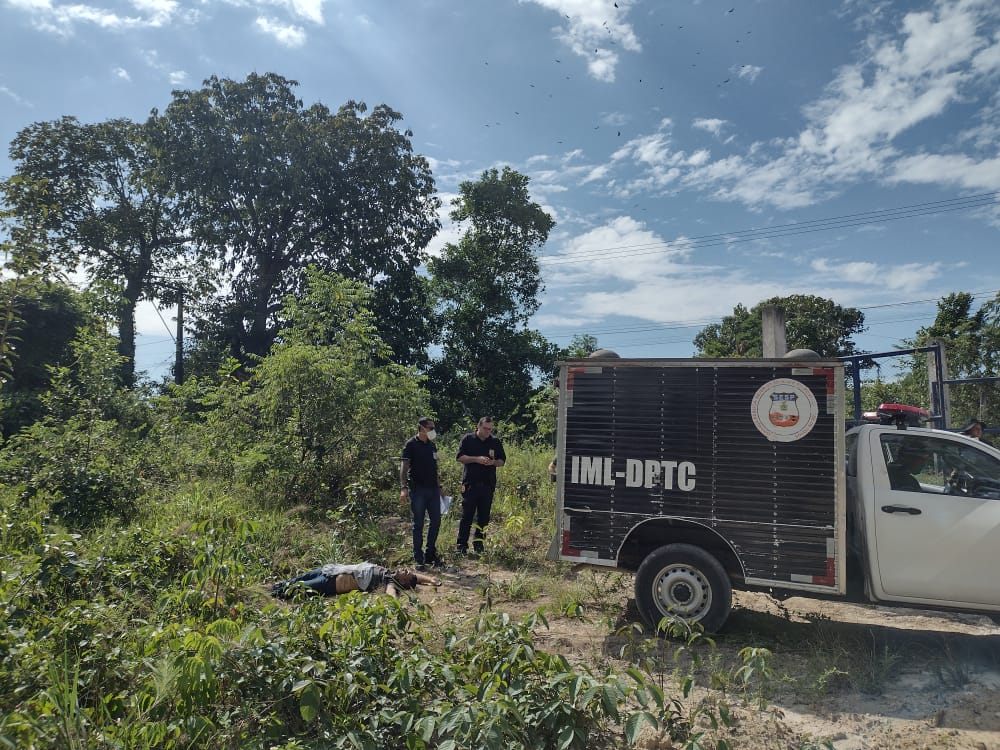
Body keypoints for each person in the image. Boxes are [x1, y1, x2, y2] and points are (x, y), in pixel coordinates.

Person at [456, 416, 506, 555]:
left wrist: (493, 462)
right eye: (485, 428)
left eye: (490, 429)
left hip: (487, 485)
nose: (488, 431)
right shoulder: (468, 439)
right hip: (470, 485)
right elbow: (459, 457)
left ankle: (479, 545)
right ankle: (461, 546)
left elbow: (502, 461)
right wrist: (476, 459)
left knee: (484, 517)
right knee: (467, 516)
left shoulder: (495, 441)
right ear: (478, 426)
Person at [400, 417, 443, 569]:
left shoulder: (432, 445)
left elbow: (434, 467)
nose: (433, 431)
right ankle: (418, 558)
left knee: (436, 521)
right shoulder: (410, 444)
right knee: (418, 524)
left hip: (433, 490)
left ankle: (430, 554)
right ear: (422, 428)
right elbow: (404, 468)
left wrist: (439, 486)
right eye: (431, 428)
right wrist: (403, 488)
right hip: (418, 490)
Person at [271, 562, 440, 599]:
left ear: (403, 582)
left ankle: (272, 594)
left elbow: (391, 595)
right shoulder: (387, 571)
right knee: (297, 579)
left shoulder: (388, 582)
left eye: (406, 573)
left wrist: (395, 600)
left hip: (330, 584)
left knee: (298, 588)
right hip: (331, 570)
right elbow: (416, 577)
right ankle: (273, 587)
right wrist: (431, 580)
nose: (406, 570)